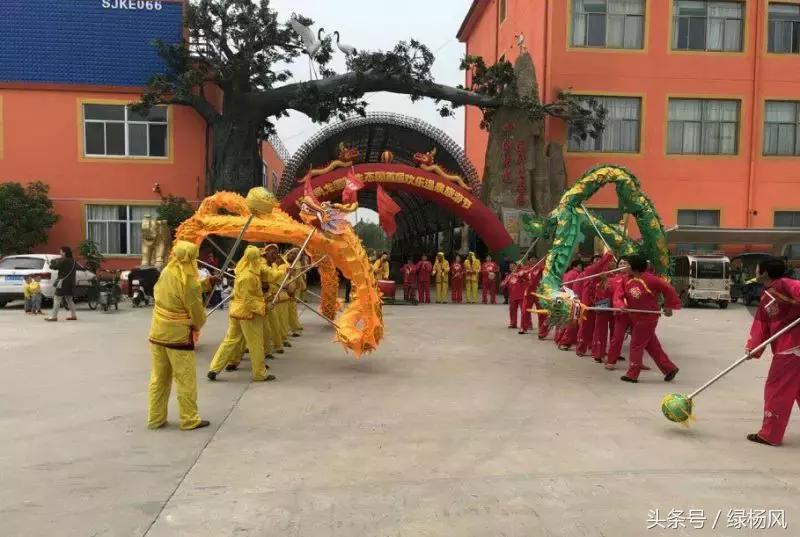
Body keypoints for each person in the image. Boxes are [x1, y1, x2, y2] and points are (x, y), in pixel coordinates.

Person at [147, 241, 209, 430]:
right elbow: (195, 309)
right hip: (178, 337)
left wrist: (207, 283)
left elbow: (173, 293)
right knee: (185, 379)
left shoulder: (167, 271)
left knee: (159, 378)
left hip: (158, 332)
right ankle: (189, 419)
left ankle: (155, 418)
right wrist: (198, 323)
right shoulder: (190, 281)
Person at [744, 257, 800, 446]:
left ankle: (770, 434)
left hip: (790, 349)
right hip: (789, 349)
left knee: (777, 391)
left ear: (765, 273)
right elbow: (761, 326)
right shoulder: (766, 296)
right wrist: (753, 348)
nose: (755, 272)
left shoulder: (786, 284)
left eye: (757, 269)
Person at [208, 246, 275, 382]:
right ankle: (259, 373)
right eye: (258, 257)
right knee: (255, 344)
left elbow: (269, 275)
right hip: (248, 314)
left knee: (229, 341)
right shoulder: (248, 276)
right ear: (255, 258)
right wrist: (263, 307)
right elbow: (248, 300)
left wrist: (283, 272)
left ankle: (214, 368)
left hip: (236, 312)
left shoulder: (244, 269)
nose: (260, 259)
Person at [613, 255, 681, 384]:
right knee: (652, 346)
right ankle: (669, 368)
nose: (625, 267)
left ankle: (632, 374)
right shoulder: (625, 279)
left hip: (647, 318)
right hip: (634, 317)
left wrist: (669, 306)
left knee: (636, 345)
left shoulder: (651, 279)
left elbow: (668, 289)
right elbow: (618, 295)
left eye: (627, 265)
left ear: (635, 267)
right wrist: (620, 305)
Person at [576, 253, 614, 357]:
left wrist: (606, 277)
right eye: (596, 259)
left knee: (601, 327)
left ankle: (598, 351)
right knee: (585, 326)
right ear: (592, 262)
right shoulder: (589, 270)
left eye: (599, 259)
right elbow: (597, 267)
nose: (598, 261)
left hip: (602, 301)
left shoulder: (609, 273)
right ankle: (581, 348)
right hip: (588, 302)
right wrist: (608, 255)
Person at [556, 259, 584, 350]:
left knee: (565, 321)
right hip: (573, 300)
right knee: (572, 323)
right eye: (580, 266)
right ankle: (565, 342)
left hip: (564, 299)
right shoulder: (576, 275)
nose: (581, 268)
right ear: (575, 266)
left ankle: (559, 339)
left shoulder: (567, 274)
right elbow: (575, 289)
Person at [45, 246, 78, 322]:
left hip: (62, 282)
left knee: (57, 299)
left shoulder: (64, 260)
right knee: (69, 299)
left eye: (61, 251)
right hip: (71, 283)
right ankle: (73, 315)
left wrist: (50, 264)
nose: (60, 253)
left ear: (64, 252)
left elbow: (55, 267)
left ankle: (54, 317)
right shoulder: (73, 261)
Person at [500, 263, 524, 329]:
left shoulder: (521, 274)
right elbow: (503, 284)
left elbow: (525, 275)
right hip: (512, 296)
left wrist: (520, 269)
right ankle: (513, 323)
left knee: (524, 311)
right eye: (510, 266)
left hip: (521, 295)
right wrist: (504, 283)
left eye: (513, 266)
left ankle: (525, 324)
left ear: (516, 266)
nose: (512, 267)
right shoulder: (509, 276)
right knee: (512, 310)